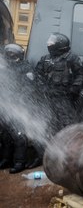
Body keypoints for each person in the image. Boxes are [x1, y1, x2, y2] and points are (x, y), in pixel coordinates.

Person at [35, 33, 83, 134]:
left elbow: (80, 75)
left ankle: (67, 141)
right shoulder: (45, 58)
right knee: (49, 119)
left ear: (60, 44)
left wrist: (74, 89)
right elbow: (38, 75)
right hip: (48, 97)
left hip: (64, 97)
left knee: (66, 121)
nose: (49, 43)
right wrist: (42, 87)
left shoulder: (71, 58)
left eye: (52, 41)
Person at [0, 43, 32, 173]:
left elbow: (29, 87)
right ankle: (7, 159)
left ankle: (19, 162)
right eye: (8, 53)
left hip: (18, 106)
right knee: (5, 134)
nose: (9, 56)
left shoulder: (25, 68)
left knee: (19, 135)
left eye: (11, 54)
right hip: (5, 105)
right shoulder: (4, 67)